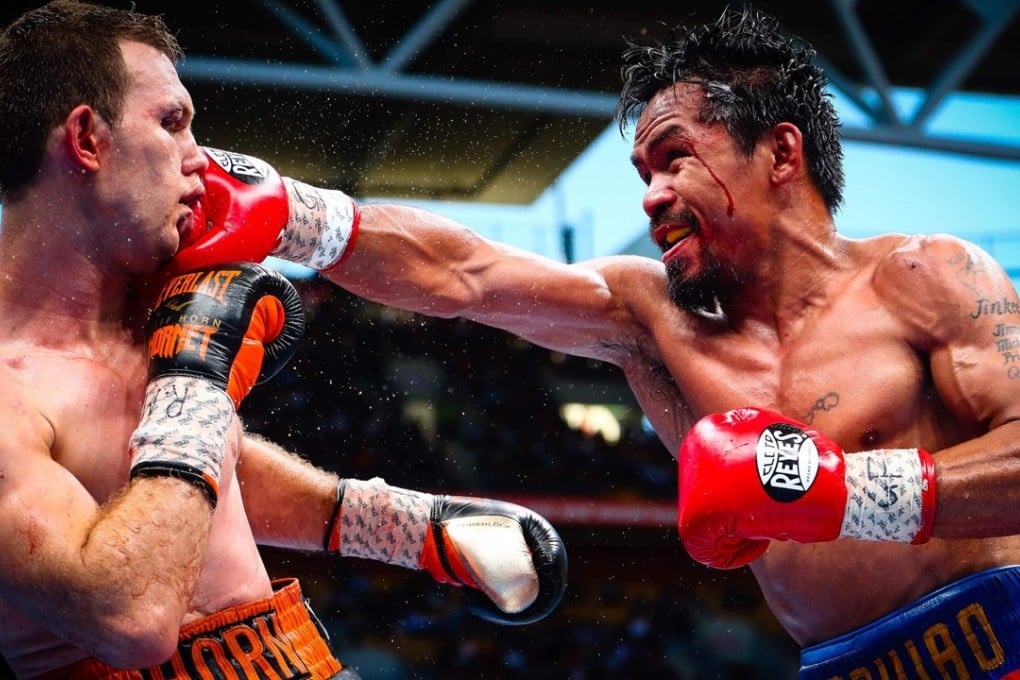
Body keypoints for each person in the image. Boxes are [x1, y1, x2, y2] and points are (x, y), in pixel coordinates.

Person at [174, 6, 1020, 678]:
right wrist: (296, 213)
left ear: (782, 152)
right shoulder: (653, 315)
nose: (652, 195)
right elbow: (467, 272)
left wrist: (844, 494)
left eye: (675, 157)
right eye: (642, 175)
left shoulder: (928, 276)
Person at [0, 2, 568, 678]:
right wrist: (194, 382)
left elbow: (166, 476)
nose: (199, 160)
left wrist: (401, 526)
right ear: (88, 139)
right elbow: (132, 618)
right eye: (172, 123)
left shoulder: (143, 320)